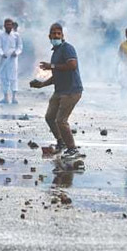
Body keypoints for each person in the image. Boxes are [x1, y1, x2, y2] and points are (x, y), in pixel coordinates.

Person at [30, 23, 84, 160]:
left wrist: (51, 66)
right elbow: (57, 75)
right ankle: (61, 142)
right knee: (49, 117)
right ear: (49, 36)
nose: (56, 36)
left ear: (62, 35)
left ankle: (72, 149)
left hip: (71, 91)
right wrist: (42, 85)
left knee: (61, 120)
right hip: (60, 91)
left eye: (58, 34)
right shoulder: (55, 52)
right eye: (53, 34)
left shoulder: (67, 48)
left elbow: (72, 65)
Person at [0, 18, 23, 104]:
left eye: (10, 24)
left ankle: (14, 97)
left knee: (13, 78)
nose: (8, 26)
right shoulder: (1, 35)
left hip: (13, 60)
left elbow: (20, 46)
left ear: (12, 26)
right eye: (7, 24)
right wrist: (2, 54)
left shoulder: (16, 35)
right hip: (4, 59)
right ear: (4, 26)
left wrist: (16, 53)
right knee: (3, 78)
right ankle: (5, 97)